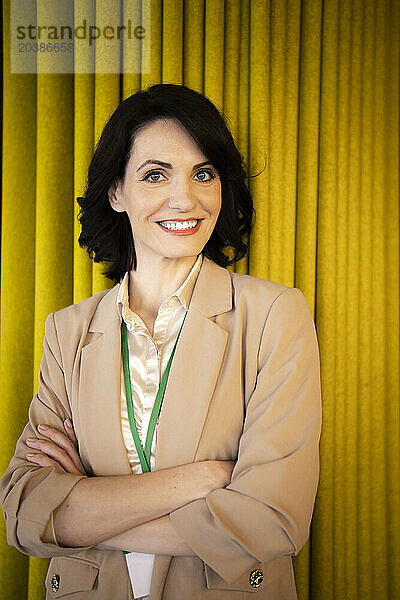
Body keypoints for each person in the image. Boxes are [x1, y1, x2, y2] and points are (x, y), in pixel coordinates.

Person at [0, 83, 322, 600]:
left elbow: (271, 522)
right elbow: (21, 513)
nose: (186, 199)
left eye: (204, 174)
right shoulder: (67, 331)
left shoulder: (274, 315)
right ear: (116, 192)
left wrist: (79, 512)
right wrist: (205, 480)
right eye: (155, 175)